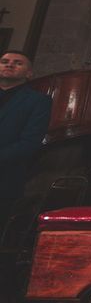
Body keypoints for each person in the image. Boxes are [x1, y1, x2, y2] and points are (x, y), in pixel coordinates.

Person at [0, 51, 52, 229]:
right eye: (5, 61)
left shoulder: (38, 101)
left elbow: (30, 142)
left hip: (5, 176)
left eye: (17, 63)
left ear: (29, 73)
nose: (9, 65)